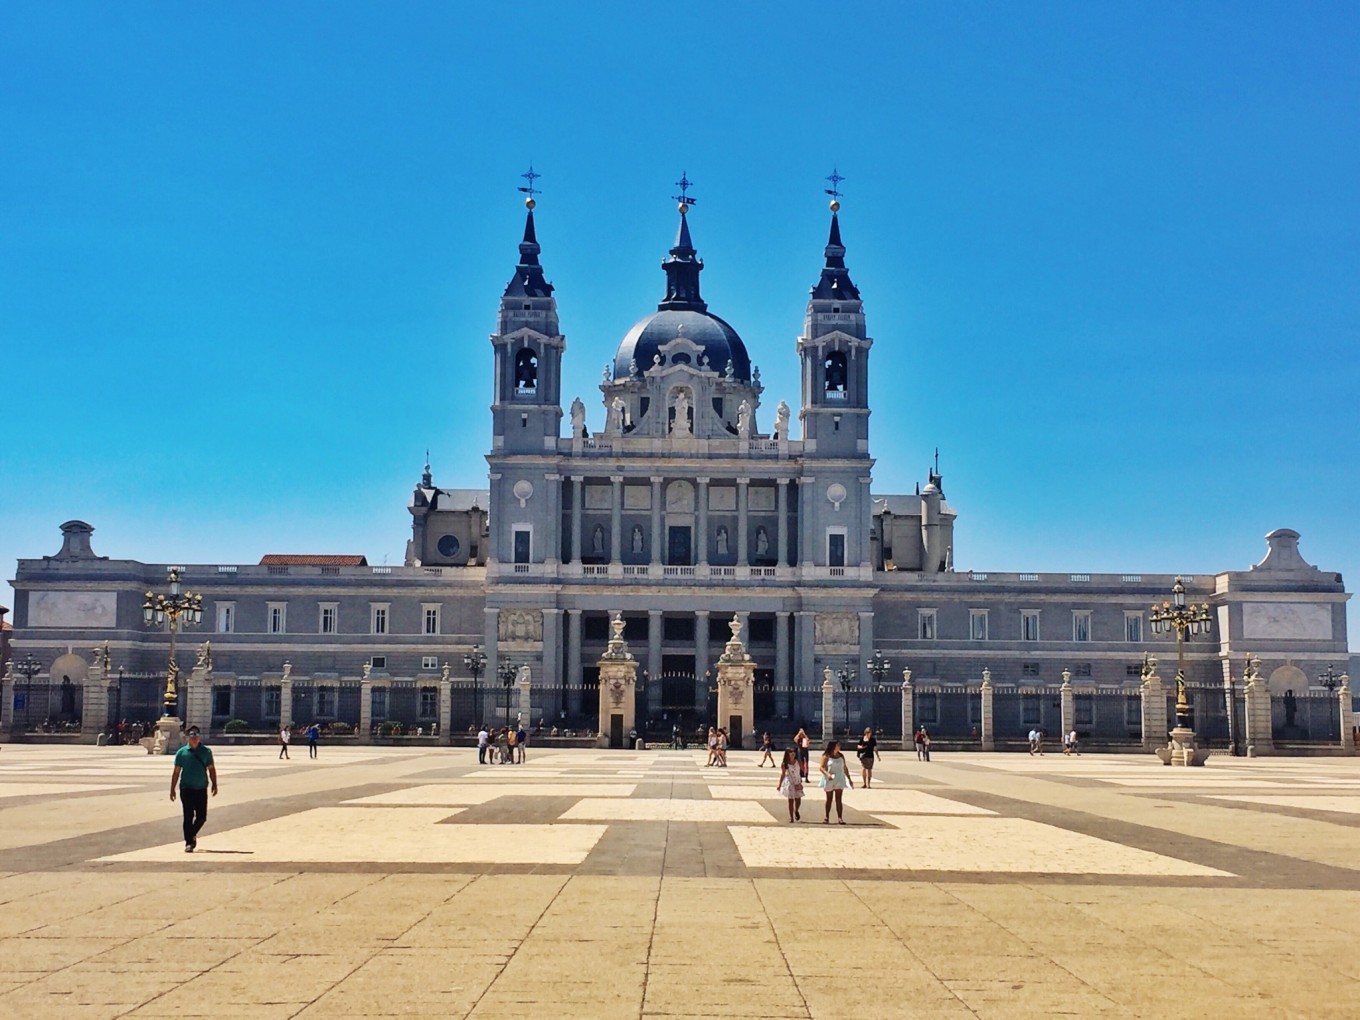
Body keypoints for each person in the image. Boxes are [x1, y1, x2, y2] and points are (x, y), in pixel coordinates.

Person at [170, 726, 217, 853]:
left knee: (202, 817)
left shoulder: (206, 751)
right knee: (188, 816)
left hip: (201, 787)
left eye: (196, 736)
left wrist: (214, 783)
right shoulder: (181, 753)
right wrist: (172, 789)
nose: (195, 738)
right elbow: (176, 772)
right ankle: (189, 842)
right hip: (186, 788)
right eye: (192, 736)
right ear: (187, 738)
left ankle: (191, 834)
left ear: (199, 737)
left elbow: (211, 769)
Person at [819, 739, 853, 823]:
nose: (839, 747)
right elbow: (821, 767)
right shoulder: (826, 756)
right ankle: (826, 817)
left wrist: (849, 778)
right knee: (829, 799)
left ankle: (840, 817)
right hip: (829, 779)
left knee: (839, 799)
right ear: (833, 746)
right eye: (838, 745)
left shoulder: (841, 756)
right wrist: (827, 774)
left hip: (839, 778)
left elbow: (845, 768)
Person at [777, 746, 804, 822]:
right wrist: (779, 785)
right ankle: (791, 816)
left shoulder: (798, 761)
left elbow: (802, 771)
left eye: (793, 752)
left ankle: (796, 810)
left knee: (798, 799)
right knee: (791, 799)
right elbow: (783, 774)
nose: (792, 754)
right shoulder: (785, 764)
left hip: (797, 781)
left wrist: (801, 781)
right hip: (789, 781)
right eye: (790, 752)